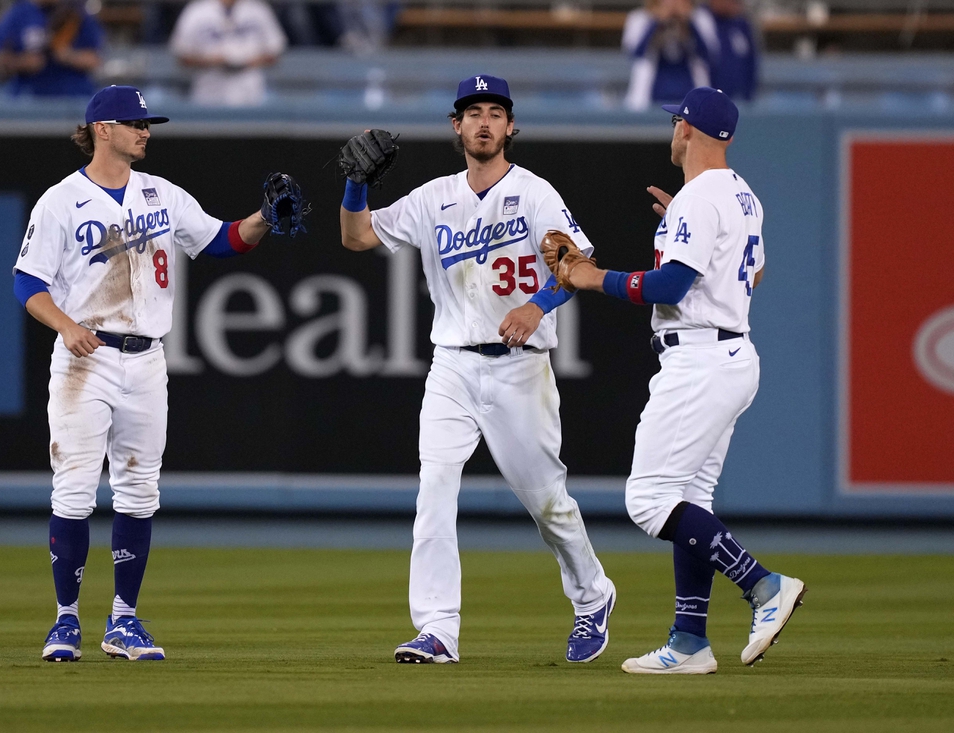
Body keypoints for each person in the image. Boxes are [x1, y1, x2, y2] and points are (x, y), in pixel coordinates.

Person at [13, 85, 304, 662]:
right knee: (73, 490)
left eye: (148, 124)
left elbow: (221, 242)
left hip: (146, 358)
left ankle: (124, 621)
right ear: (101, 129)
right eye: (134, 123)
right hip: (84, 359)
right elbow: (28, 283)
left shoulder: (161, 194)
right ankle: (64, 621)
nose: (145, 131)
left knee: (140, 490)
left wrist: (265, 219)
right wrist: (65, 326)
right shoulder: (61, 200)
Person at [338, 75, 616, 665]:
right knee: (435, 490)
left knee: (548, 504)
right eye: (473, 113)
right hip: (453, 367)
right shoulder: (433, 197)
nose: (484, 122)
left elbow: (579, 261)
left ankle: (594, 596)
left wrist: (536, 303)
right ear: (456, 126)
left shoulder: (536, 193)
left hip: (523, 369)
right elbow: (357, 236)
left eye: (495, 112)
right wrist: (355, 183)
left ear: (511, 126)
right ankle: (437, 629)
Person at [543, 87, 806, 674]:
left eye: (676, 121)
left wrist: (592, 278)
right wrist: (678, 230)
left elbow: (669, 288)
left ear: (687, 130)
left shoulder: (699, 200)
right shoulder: (742, 195)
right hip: (733, 356)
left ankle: (764, 586)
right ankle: (689, 642)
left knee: (648, 500)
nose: (673, 130)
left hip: (700, 362)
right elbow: (753, 275)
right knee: (689, 501)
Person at [169, 0, 287, 107]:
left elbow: (274, 52)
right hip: (208, 91)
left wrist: (245, 62)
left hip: (251, 91)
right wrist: (211, 61)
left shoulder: (257, 9)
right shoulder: (196, 10)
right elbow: (182, 55)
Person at [0, 0, 102, 97]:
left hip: (72, 96)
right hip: (28, 97)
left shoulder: (76, 13)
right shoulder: (17, 15)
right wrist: (22, 62)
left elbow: (95, 60)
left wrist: (68, 55)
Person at [622, 0, 711, 111]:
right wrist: (656, 22)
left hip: (689, 89)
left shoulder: (699, 17)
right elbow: (637, 54)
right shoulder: (640, 18)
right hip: (652, 94)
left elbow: (707, 54)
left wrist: (688, 22)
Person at [694, 0, 759, 101]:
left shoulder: (741, 25)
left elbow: (751, 63)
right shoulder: (699, 21)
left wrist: (748, 95)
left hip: (739, 100)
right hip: (708, 100)